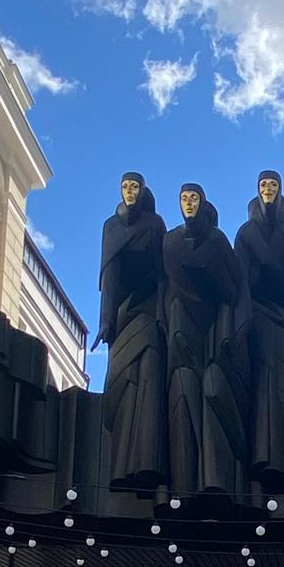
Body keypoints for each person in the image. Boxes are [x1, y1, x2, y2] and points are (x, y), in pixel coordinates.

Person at [163, 183, 250, 498]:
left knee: (212, 385)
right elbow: (165, 287)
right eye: (184, 198)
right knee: (185, 383)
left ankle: (217, 478)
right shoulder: (170, 241)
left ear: (203, 203)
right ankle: (187, 481)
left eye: (194, 198)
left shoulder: (217, 240)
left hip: (216, 326)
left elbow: (233, 288)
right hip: (183, 323)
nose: (188, 203)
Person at [233, 170, 284, 490]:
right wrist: (242, 320)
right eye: (263, 185)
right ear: (257, 191)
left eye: (273, 185)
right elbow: (240, 283)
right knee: (264, 381)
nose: (268, 189)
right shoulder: (245, 233)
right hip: (258, 315)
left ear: (280, 191)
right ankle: (263, 458)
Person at [96, 173, 168, 489]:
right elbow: (109, 278)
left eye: (134, 187)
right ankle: (121, 465)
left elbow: (165, 276)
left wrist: (165, 315)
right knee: (123, 381)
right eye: (125, 187)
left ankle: (147, 460)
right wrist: (105, 321)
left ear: (142, 191)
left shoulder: (155, 225)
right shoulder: (110, 227)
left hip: (150, 309)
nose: (129, 192)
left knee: (149, 371)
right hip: (122, 315)